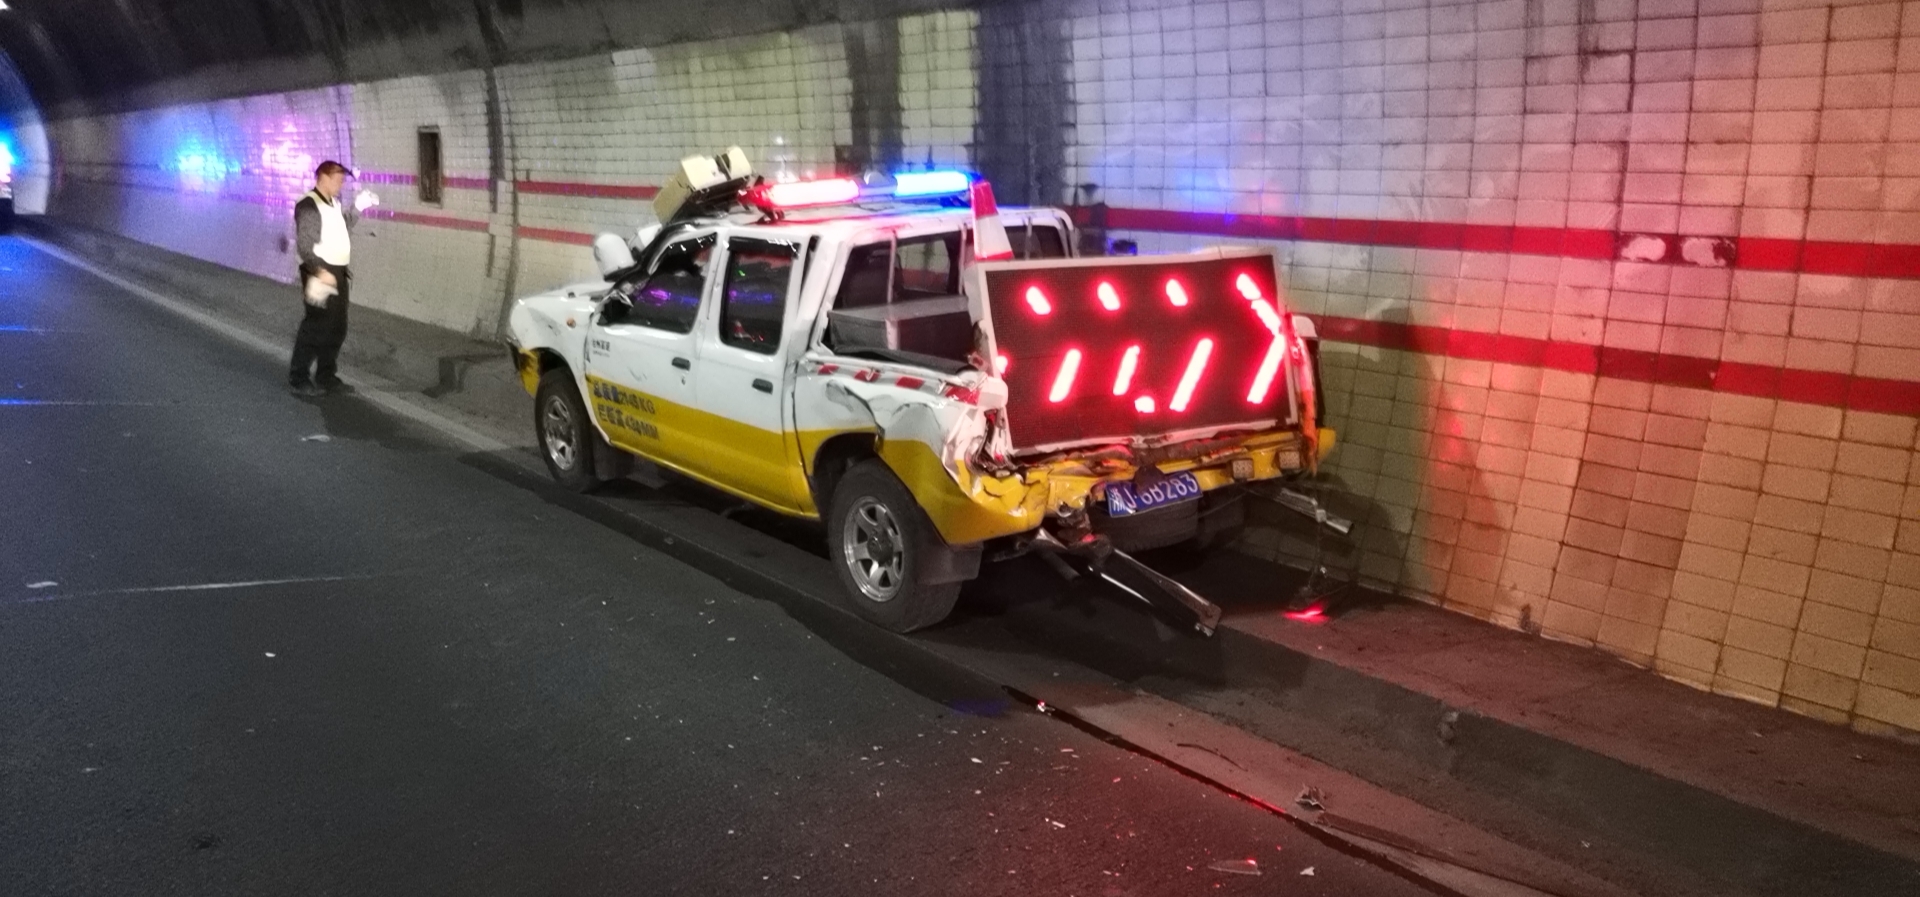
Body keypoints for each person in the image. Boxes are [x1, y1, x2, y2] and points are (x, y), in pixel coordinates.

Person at [289, 161, 378, 396]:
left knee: (337, 326)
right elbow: (305, 244)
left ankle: (326, 376)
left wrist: (357, 207)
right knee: (316, 325)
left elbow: (342, 227)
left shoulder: (333, 203)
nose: (341, 184)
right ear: (324, 177)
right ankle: (298, 378)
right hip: (318, 272)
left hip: (337, 272)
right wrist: (320, 271)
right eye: (338, 179)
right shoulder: (309, 205)